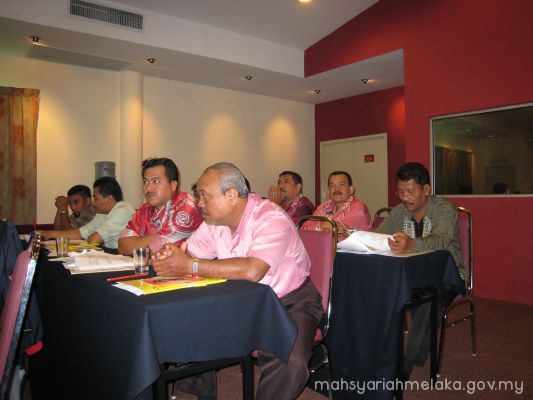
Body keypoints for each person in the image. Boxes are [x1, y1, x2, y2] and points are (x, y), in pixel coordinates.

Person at [152, 162, 323, 400]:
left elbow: (253, 270)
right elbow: (190, 253)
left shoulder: (270, 218)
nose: (199, 203)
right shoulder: (214, 223)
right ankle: (198, 394)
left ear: (231, 195)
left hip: (290, 302)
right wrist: (172, 256)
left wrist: (189, 265)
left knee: (289, 359)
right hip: (240, 299)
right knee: (190, 322)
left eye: (204, 195)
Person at [374, 162, 466, 377]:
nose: (404, 198)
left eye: (410, 192)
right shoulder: (399, 212)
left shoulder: (444, 209)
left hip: (446, 276)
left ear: (426, 189)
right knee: (379, 291)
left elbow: (442, 240)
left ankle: (405, 365)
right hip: (412, 275)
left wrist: (412, 244)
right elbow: (379, 235)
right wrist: (356, 236)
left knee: (428, 302)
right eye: (400, 192)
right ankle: (376, 352)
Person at [118, 158, 202, 255]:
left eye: (156, 181)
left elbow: (157, 250)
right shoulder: (144, 209)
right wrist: (157, 237)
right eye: (145, 181)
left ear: (173, 185)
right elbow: (122, 246)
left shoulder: (187, 208)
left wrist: (138, 242)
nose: (148, 188)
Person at [37, 177, 134, 249]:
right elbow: (81, 233)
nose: (93, 202)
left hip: (126, 260)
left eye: (96, 198)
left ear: (109, 198)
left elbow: (93, 240)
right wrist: (48, 233)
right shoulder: (103, 212)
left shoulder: (122, 211)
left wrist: (89, 236)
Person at [303, 171, 371, 240]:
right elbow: (303, 230)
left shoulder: (358, 210)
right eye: (332, 186)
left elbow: (336, 238)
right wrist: (324, 225)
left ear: (351, 190)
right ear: (328, 191)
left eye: (341, 185)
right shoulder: (325, 207)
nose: (336, 189)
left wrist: (322, 226)